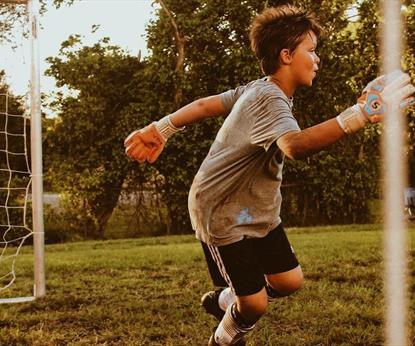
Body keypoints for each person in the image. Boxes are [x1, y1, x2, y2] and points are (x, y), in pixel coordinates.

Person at [124, 5, 415, 346]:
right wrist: (359, 116)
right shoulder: (268, 97)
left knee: (289, 281)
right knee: (256, 303)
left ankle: (224, 301)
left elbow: (206, 105)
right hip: (222, 213)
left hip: (255, 210)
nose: (317, 59)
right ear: (287, 55)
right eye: (312, 50)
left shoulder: (258, 88)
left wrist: (162, 128)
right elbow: (295, 146)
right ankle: (223, 338)